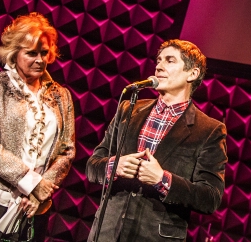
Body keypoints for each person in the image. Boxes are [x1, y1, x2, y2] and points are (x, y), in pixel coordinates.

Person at [86, 39, 227, 241]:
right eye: (159, 60)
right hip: (107, 231)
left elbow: (210, 198)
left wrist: (163, 179)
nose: (159, 66)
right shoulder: (129, 109)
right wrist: (114, 166)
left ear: (193, 74)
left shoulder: (209, 130)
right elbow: (92, 166)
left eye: (170, 61)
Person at [0, 12, 76, 241]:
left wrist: (43, 189)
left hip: (34, 204)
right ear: (14, 54)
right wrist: (32, 183)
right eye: (31, 53)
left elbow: (67, 150)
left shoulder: (62, 96)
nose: (40, 60)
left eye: (44, 53)